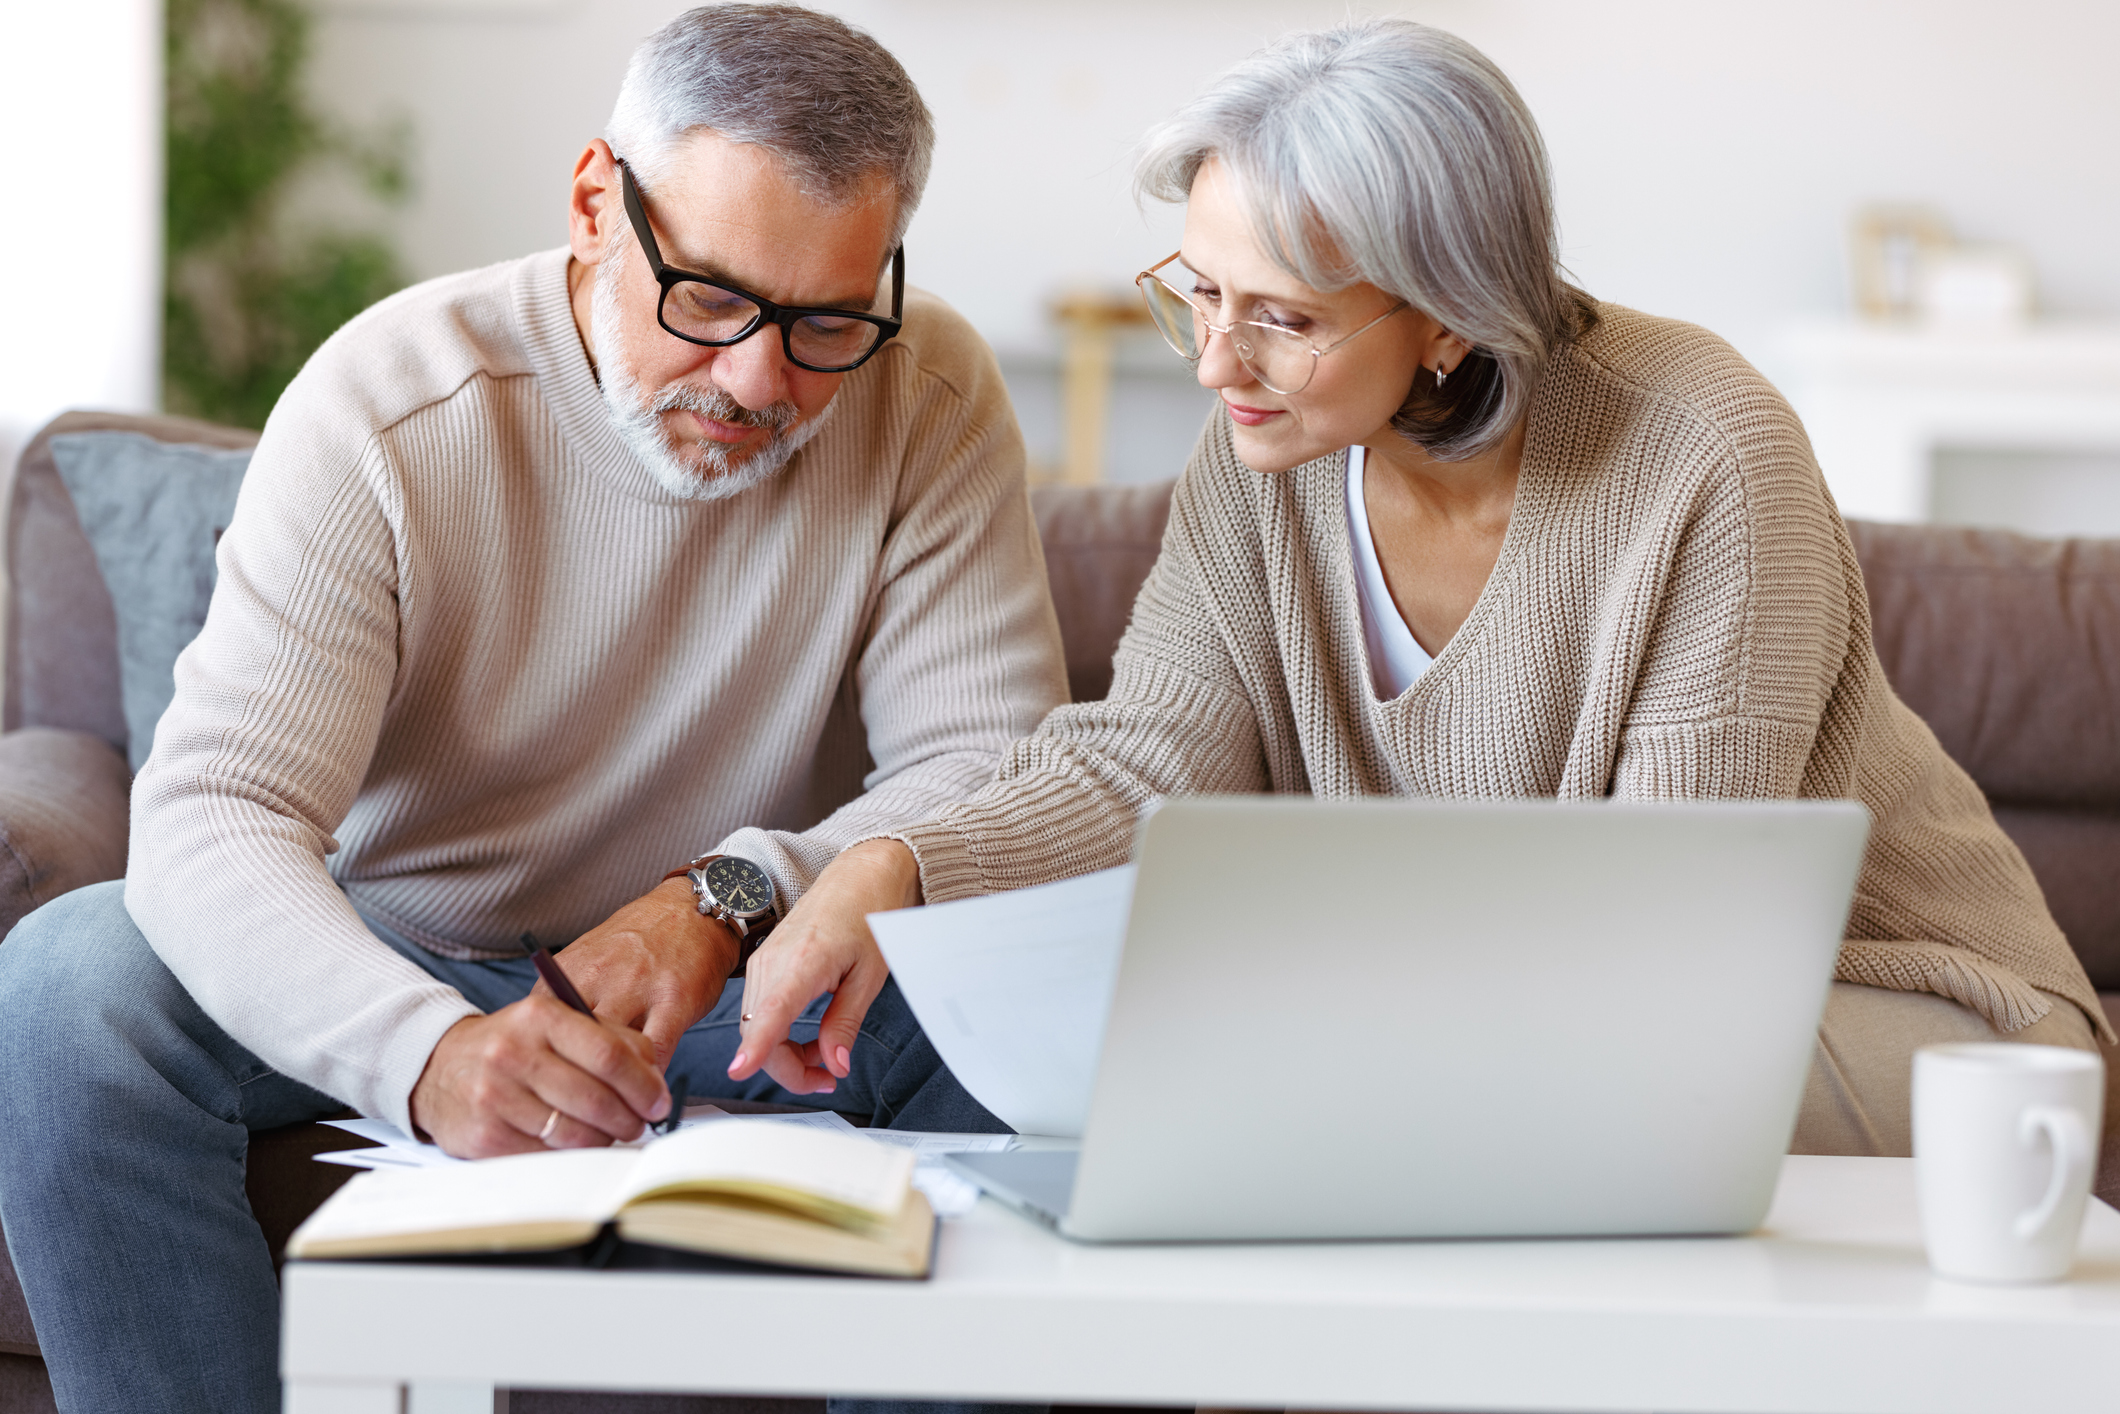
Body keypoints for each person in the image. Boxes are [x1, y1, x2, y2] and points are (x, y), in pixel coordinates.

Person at [729, 19, 2110, 1150]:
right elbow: (1143, 759)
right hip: (1550, 1035)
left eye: (1283, 317)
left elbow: (1680, 927)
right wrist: (892, 869)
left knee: (1317, 1096)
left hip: (1902, 1021)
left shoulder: (1704, 452)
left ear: (1447, 310)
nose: (1216, 363)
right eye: (1199, 293)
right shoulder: (1263, 458)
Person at [0, 7, 1065, 1412]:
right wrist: (423, 1052)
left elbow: (989, 775)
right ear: (591, 206)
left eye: (825, 321)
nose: (760, 379)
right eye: (711, 298)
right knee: (68, 988)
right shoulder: (390, 402)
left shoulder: (924, 390)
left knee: (1042, 1009)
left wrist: (732, 894)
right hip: (414, 947)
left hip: (759, 978)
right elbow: (220, 810)